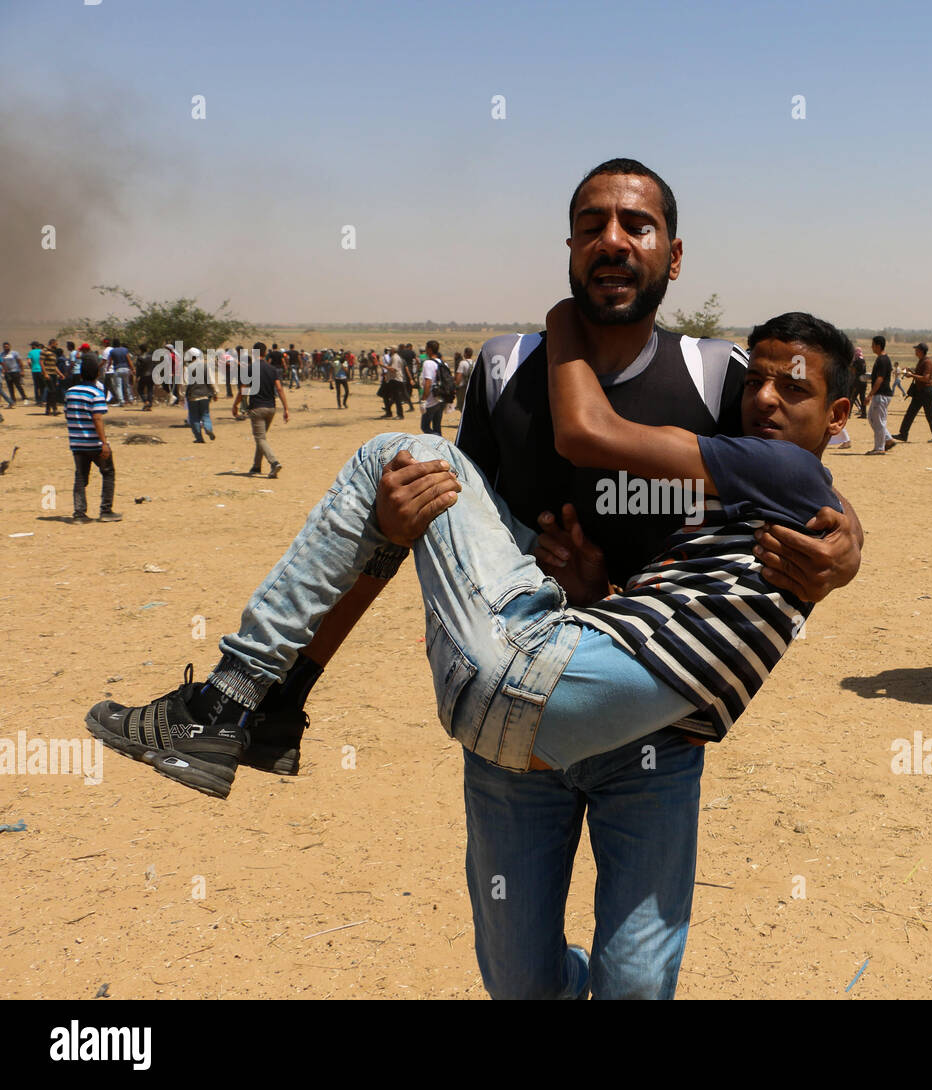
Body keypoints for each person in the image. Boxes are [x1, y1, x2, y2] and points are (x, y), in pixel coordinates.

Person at [181, 158, 862, 1000]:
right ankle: (264, 700)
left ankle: (247, 699)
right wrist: (377, 554)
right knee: (520, 982)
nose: (613, 241)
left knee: (637, 985)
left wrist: (848, 550)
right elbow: (443, 527)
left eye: (636, 225)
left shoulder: (718, 375)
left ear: (674, 256)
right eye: (592, 225)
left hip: (650, 738)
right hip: (518, 745)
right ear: (570, 246)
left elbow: (794, 479)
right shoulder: (505, 370)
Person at [64, 354, 122, 523]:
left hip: (77, 443)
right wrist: (104, 443)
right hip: (94, 443)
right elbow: (97, 418)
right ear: (98, 374)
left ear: (80, 374)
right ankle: (106, 511)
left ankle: (79, 514)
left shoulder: (70, 392)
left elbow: (68, 414)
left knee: (81, 477)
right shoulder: (96, 394)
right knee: (108, 472)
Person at [232, 342, 288, 478]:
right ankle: (256, 466)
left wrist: (235, 405)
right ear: (265, 352)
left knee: (260, 438)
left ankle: (274, 462)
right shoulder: (272, 369)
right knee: (261, 438)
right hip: (271, 408)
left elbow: (243, 389)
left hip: (257, 408)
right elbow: (279, 389)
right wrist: (286, 408)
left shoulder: (250, 369)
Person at [895, 342, 932, 442]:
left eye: (917, 349)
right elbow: (920, 375)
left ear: (921, 351)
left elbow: (926, 378)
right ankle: (903, 434)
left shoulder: (927, 362)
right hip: (919, 391)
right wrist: (910, 371)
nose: (915, 351)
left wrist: (912, 375)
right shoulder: (922, 361)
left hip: (926, 391)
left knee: (930, 414)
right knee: (910, 413)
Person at [866, 335, 896, 453]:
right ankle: (888, 439)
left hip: (881, 394)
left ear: (878, 346)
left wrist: (870, 395)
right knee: (872, 418)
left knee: (878, 421)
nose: (871, 347)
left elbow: (880, 378)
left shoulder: (882, 360)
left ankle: (879, 448)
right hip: (881, 394)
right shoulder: (881, 359)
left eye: (873, 345)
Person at [419, 340, 452, 435]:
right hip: (442, 398)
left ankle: (438, 440)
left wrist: (423, 400)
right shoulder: (443, 363)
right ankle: (440, 446)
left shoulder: (428, 363)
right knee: (437, 426)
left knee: (425, 426)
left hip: (431, 400)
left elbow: (428, 382)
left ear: (429, 349)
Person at [185, 350, 217, 443]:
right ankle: (208, 428)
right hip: (205, 395)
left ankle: (199, 438)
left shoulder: (188, 367)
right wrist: (214, 393)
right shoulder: (205, 366)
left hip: (193, 396)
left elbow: (186, 383)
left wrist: (184, 395)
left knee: (194, 417)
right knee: (205, 415)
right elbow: (210, 381)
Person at [1, 342, 27, 406]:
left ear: (10, 346)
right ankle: (13, 400)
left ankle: (25, 398)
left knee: (18, 385)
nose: (6, 348)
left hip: (15, 371)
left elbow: (20, 362)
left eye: (7, 346)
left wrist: (22, 371)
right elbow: (1, 363)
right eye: (5, 347)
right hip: (7, 373)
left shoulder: (14, 353)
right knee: (10, 387)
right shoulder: (2, 354)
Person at [850, 346, 869, 418]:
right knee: (862, 398)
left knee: (852, 397)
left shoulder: (856, 361)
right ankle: (864, 414)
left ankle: (848, 414)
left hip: (857, 381)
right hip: (864, 381)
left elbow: (853, 370)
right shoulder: (863, 360)